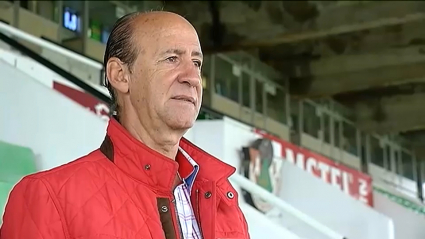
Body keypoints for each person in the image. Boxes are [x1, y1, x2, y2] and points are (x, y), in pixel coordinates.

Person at [0, 11, 250, 239]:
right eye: (172, 58)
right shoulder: (47, 198)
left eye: (196, 63)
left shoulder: (221, 195)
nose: (193, 77)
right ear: (120, 75)